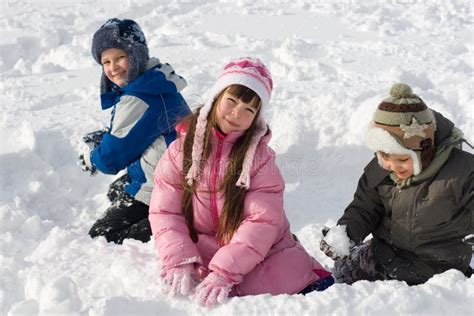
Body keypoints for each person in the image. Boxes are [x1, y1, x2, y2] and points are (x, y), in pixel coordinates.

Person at [148, 57, 333, 307]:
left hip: (261, 249)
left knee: (282, 281)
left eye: (249, 109)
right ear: (216, 99)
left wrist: (225, 271)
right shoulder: (181, 152)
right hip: (203, 247)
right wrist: (177, 257)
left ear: (256, 118)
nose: (237, 113)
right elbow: (165, 211)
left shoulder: (260, 160)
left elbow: (262, 222)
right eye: (231, 101)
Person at [320, 83, 473, 285]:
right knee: (340, 280)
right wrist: (346, 234)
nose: (392, 166)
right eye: (384, 156)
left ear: (424, 151)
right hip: (383, 256)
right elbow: (365, 208)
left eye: (402, 159)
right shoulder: (382, 168)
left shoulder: (462, 173)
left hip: (437, 270)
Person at [79, 18, 190, 244]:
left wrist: (92, 157)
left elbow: (110, 160)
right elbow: (139, 131)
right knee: (116, 191)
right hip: (174, 174)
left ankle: (173, 223)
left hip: (165, 188)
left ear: (137, 55)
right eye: (106, 61)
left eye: (120, 57)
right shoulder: (154, 82)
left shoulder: (138, 98)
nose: (113, 67)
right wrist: (107, 138)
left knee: (101, 235)